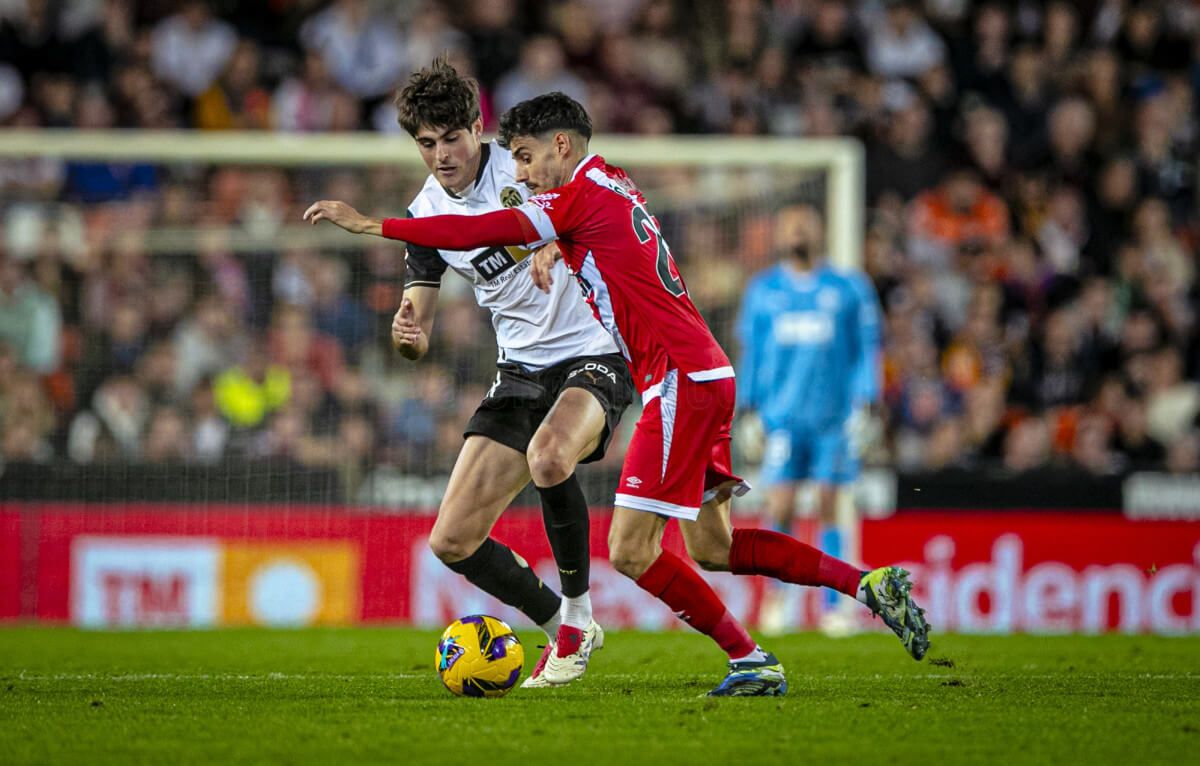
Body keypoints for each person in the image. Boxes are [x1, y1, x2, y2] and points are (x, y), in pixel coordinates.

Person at [305, 92, 929, 696]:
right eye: (514, 160)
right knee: (715, 547)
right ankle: (868, 585)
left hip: (671, 377)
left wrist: (371, 224)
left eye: (525, 158)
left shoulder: (570, 196)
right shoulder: (611, 180)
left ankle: (741, 655)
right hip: (695, 374)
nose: (520, 171)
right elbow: (540, 233)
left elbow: (497, 225)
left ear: (557, 145)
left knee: (629, 548)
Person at [321, 61, 636, 688]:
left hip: (594, 347)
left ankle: (576, 619)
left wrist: (555, 240)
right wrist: (406, 335)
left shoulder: (523, 167)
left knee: (551, 459)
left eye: (452, 138)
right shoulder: (426, 217)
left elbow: (579, 209)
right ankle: (561, 621)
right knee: (452, 541)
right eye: (426, 143)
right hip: (519, 369)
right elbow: (419, 324)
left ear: (476, 128)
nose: (442, 155)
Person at [736, 204, 883, 636]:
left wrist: (867, 403)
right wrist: (747, 409)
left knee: (830, 504)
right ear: (780, 234)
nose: (798, 229)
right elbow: (753, 354)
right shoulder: (763, 290)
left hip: (832, 419)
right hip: (781, 418)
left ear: (820, 231)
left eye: (806, 222)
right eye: (791, 223)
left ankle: (835, 605)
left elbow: (865, 350)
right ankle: (777, 601)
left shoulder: (849, 288)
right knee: (778, 503)